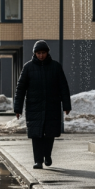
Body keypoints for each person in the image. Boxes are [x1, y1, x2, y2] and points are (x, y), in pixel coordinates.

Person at [13, 40, 71, 169]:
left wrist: (66, 106)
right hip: (34, 107)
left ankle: (47, 155)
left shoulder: (56, 67)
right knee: (36, 134)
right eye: (38, 53)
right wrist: (18, 108)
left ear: (47, 52)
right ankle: (38, 161)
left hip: (52, 106)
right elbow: (20, 89)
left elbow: (63, 87)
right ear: (34, 54)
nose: (41, 55)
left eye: (43, 53)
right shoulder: (28, 67)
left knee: (50, 133)